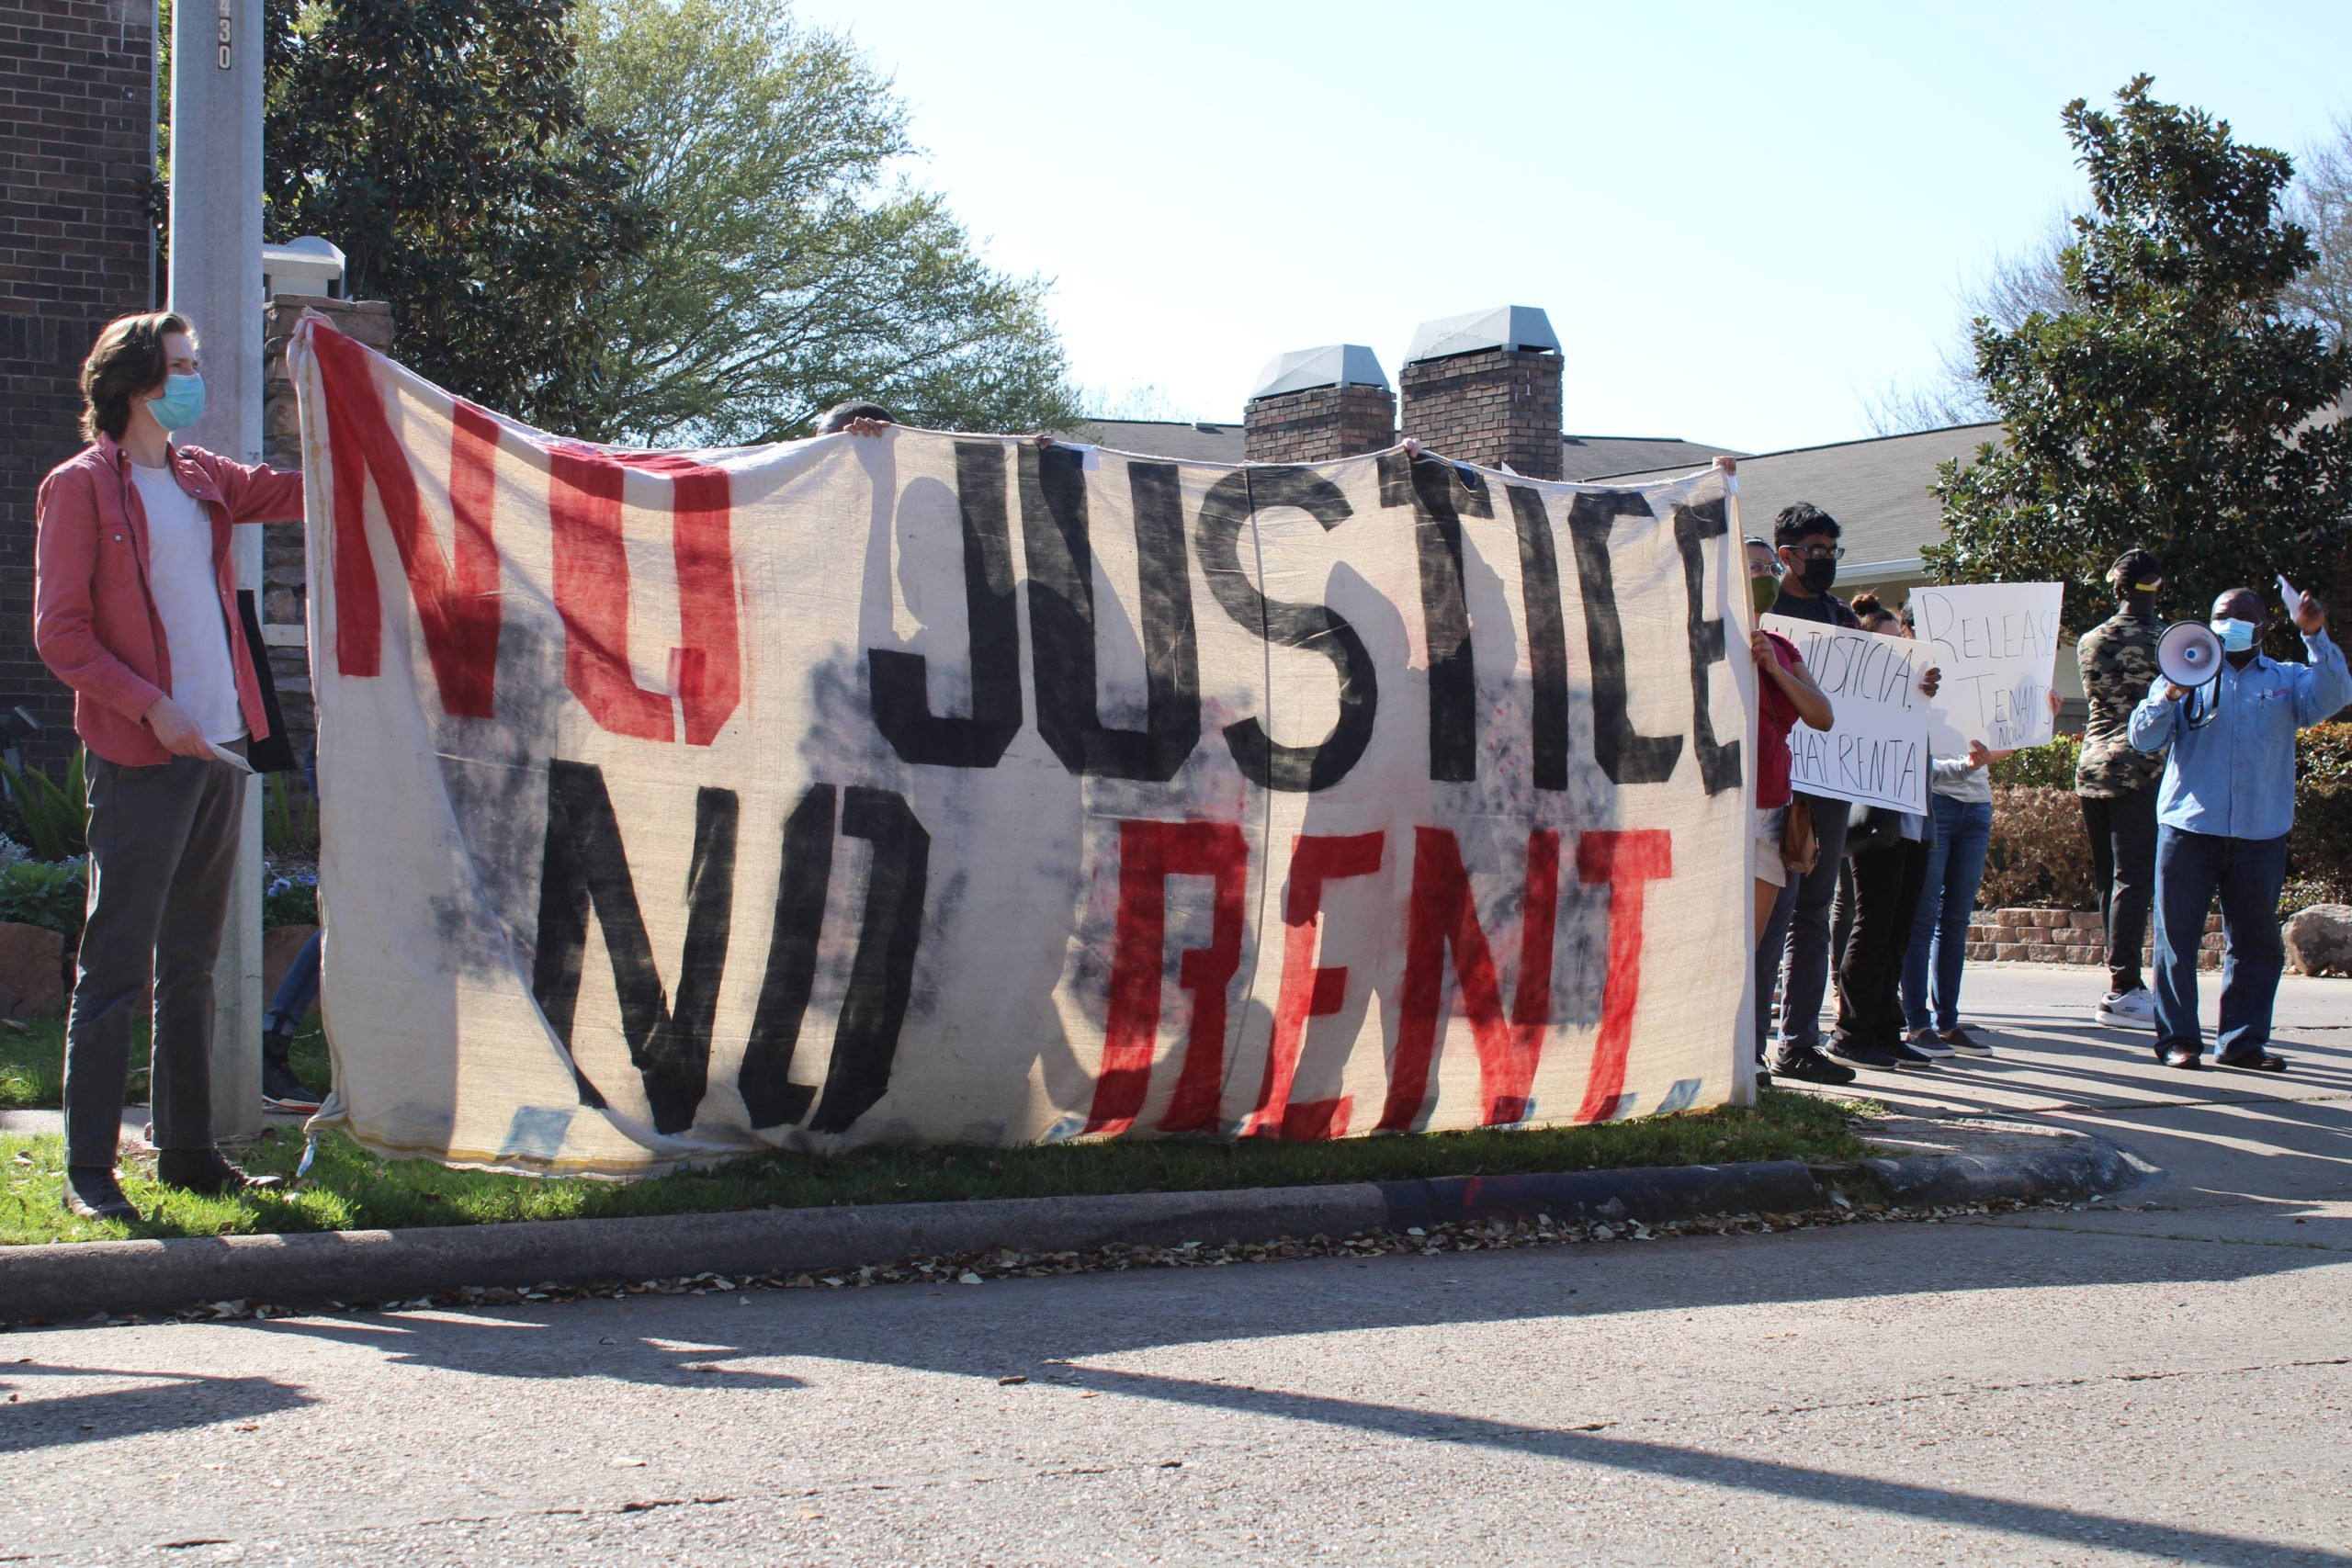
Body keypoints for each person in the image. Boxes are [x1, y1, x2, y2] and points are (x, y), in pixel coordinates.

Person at [33, 311, 306, 1220]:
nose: (194, 382)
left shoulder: (200, 479)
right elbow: (60, 634)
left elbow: (291, 491)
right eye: (181, 368)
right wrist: (153, 706)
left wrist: (365, 421)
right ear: (136, 385)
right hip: (141, 754)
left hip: (222, 746)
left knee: (193, 960)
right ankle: (88, 1172)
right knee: (118, 965)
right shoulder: (79, 489)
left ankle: (187, 1154)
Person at [2129, 585, 2349, 1071]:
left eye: (2242, 616)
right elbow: (2142, 737)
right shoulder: (2186, 672)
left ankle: (2243, 1042)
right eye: (2221, 616)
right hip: (2189, 827)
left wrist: (2316, 637)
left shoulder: (2289, 680)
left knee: (2254, 943)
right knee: (2176, 938)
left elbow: (2336, 693)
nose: (2230, 624)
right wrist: (2169, 692)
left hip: (2259, 831)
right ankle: (2179, 1041)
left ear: (2264, 627)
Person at [1754, 505, 1939, 1081]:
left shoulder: (1841, 619)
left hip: (1828, 785)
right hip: (1771, 780)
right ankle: (1749, 1044)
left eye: (1835, 551)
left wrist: (1915, 685)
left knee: (1812, 911)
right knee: (1768, 913)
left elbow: (1868, 697)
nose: (1828, 561)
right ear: (1786, 555)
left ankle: (1799, 1041)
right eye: (1816, 551)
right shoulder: (1755, 611)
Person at [1895, 599, 2052, 1061]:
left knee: (1957, 919)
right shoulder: (1905, 683)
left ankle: (1947, 1022)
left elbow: (1994, 748)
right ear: (1905, 630)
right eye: (1922, 627)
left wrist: (2036, 720)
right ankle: (1916, 1024)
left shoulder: (1974, 681)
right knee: (1923, 916)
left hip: (1975, 806)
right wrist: (1961, 765)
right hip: (1935, 802)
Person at [1740, 521, 1844, 1085]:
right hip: (1716, 806)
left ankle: (1746, 1055)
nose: (1763, 576)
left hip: (1768, 810)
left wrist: (1774, 670)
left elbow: (1822, 716)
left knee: (1752, 949)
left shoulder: (1781, 647)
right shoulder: (1701, 632)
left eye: (1768, 569)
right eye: (1753, 566)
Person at [1826, 607, 1937, 1071]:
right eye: (1888, 643)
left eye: (1902, 641)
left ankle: (1885, 1030)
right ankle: (1851, 1033)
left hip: (1916, 824)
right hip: (1880, 825)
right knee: (1871, 926)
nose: (1899, 651)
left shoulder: (1918, 694)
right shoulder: (1863, 695)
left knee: (1898, 930)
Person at [2075, 549, 2168, 1032]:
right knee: (2134, 877)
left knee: (2108, 877)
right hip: (2142, 769)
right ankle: (2124, 988)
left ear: (2117, 588)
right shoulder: (2168, 642)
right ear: (2159, 588)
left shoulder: (2091, 640)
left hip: (2091, 765)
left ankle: (2118, 979)